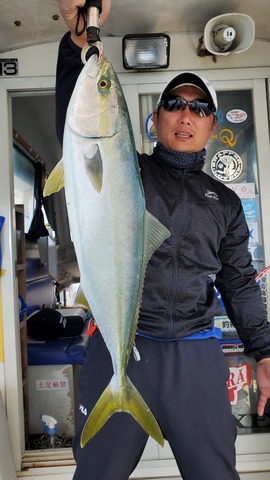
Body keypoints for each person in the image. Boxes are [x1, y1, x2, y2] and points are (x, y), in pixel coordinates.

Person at [55, 1, 270, 479]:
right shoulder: (128, 170)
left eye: (199, 108)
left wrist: (265, 349)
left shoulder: (226, 204)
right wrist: (76, 46)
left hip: (195, 353)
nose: (185, 114)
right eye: (174, 104)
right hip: (124, 349)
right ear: (156, 119)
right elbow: (80, 129)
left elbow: (238, 283)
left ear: (213, 126)